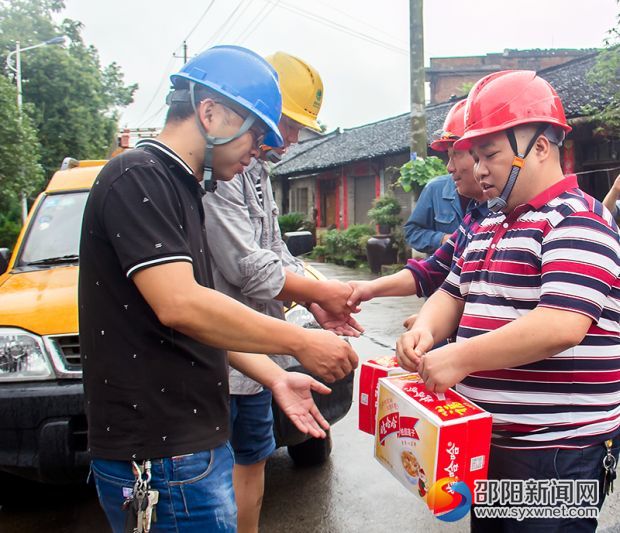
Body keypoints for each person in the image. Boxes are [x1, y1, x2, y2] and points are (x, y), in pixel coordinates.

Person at [79, 45, 358, 533]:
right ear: (210, 113)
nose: (259, 150)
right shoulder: (138, 177)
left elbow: (206, 310)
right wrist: (300, 340)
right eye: (256, 134)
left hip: (185, 446)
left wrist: (274, 377)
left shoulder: (186, 187)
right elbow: (181, 306)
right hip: (161, 452)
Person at [396, 70, 620, 531]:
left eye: (491, 155)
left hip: (557, 451)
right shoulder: (488, 226)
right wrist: (427, 330)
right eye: (474, 156)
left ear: (540, 146)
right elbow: (452, 292)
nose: (479, 169)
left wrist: (458, 356)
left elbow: (561, 324)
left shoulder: (578, 220)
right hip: (492, 440)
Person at [203, 51, 362, 533]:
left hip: (259, 360)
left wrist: (317, 297)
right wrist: (311, 317)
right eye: (285, 123)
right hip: (220, 359)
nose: (290, 139)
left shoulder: (260, 173)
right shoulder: (220, 173)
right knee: (210, 481)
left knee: (252, 462)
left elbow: (276, 253)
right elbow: (246, 266)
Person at [347, 100, 487, 313]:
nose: (449, 167)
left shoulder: (536, 218)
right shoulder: (471, 220)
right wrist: (369, 288)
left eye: (456, 154)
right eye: (448, 156)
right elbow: (431, 270)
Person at [403, 168, 467, 254]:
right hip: (443, 265)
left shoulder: (487, 191)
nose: (449, 166)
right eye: (450, 156)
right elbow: (412, 232)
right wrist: (442, 239)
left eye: (457, 155)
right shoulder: (435, 188)